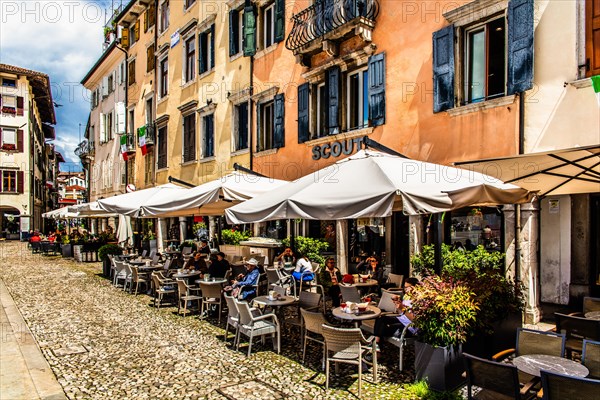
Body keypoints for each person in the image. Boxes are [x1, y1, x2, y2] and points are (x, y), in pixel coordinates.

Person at [373, 277, 420, 346]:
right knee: (381, 318)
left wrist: (403, 309)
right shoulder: (407, 297)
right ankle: (377, 346)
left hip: (410, 327)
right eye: (405, 287)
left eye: (408, 287)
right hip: (401, 320)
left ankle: (376, 346)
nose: (406, 290)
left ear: (415, 287)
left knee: (382, 329)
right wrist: (397, 304)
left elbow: (414, 319)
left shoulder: (418, 300)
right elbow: (400, 313)